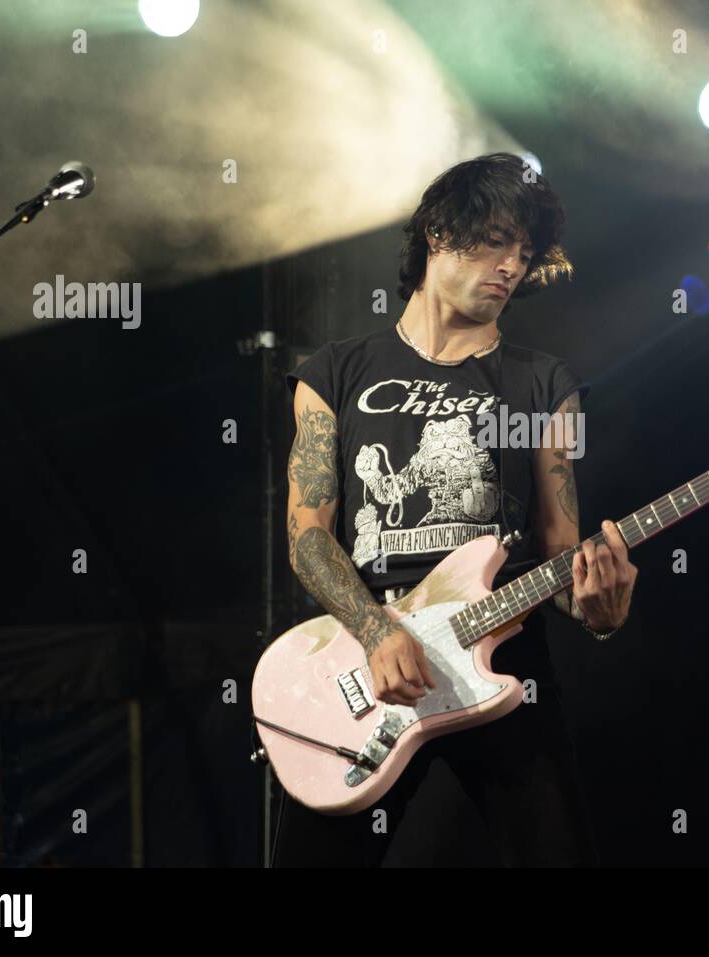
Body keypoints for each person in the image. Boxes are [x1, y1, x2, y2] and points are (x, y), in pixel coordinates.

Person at [273, 152, 637, 866]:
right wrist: (377, 629)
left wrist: (597, 609)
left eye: (524, 253)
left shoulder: (544, 382)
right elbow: (306, 533)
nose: (511, 265)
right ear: (439, 232)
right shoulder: (333, 372)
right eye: (496, 240)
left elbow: (563, 544)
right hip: (366, 647)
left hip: (502, 646)